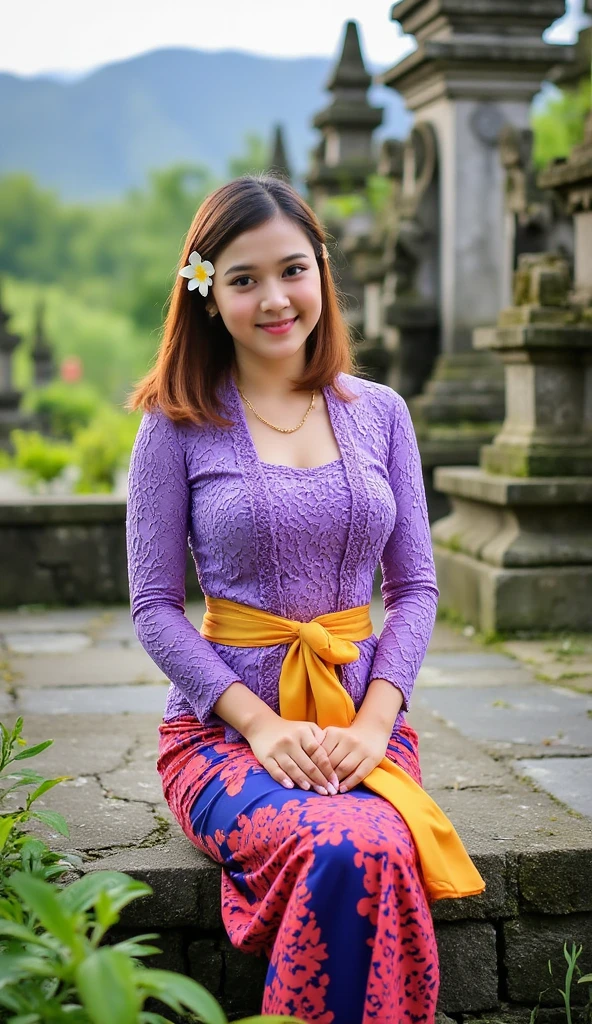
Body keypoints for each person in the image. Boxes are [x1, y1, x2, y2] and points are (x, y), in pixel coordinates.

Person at [125, 175, 484, 1024]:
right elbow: (153, 606)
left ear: (322, 270)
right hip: (221, 737)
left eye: (293, 269)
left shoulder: (382, 414)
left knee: (373, 842)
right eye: (243, 279)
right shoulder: (173, 424)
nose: (275, 299)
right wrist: (261, 724)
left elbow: (416, 586)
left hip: (362, 728)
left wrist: (372, 725)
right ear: (208, 297)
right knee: (352, 846)